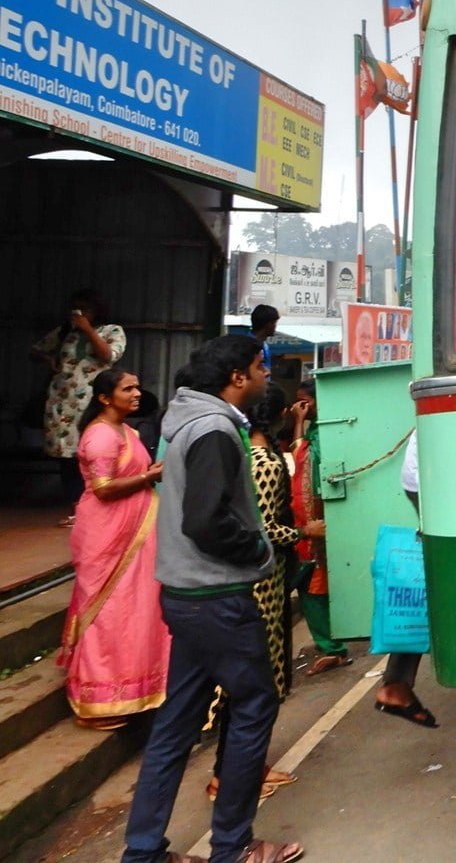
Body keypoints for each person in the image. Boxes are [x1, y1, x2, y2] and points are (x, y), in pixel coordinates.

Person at [120, 334, 302, 863]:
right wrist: (257, 548)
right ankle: (235, 847)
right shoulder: (217, 429)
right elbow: (205, 520)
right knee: (254, 706)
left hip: (183, 595)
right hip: (218, 595)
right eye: (259, 368)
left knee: (177, 723)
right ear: (237, 378)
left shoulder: (184, 425)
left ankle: (144, 851)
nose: (267, 377)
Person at [205, 384, 312, 804]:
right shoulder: (265, 462)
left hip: (252, 580)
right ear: (280, 414)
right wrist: (305, 531)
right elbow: (264, 528)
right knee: (258, 683)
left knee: (250, 683)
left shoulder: (243, 456)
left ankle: (246, 768)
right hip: (262, 585)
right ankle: (230, 776)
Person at [57, 368, 172, 730]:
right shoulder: (101, 436)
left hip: (133, 532)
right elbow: (104, 488)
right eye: (128, 388)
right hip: (108, 535)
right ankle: (94, 703)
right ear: (105, 398)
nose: (137, 393)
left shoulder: (128, 431)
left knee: (132, 612)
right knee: (106, 613)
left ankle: (130, 689)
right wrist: (150, 477)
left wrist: (148, 473)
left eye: (138, 386)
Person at [30, 289, 127, 514]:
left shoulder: (112, 331)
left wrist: (87, 330)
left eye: (85, 309)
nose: (79, 314)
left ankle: (95, 503)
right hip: (62, 402)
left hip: (93, 403)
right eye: (75, 309)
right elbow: (35, 351)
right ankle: (76, 506)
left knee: (93, 451)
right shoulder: (65, 332)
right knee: (66, 455)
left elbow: (108, 356)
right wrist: (49, 358)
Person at [374, 430, 438, 729]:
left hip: (426, 472)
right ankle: (396, 683)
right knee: (436, 575)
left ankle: (396, 682)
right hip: (434, 473)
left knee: (432, 574)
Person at [287, 380, 352, 676]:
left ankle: (333, 647)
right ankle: (330, 646)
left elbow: (308, 468)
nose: (301, 407)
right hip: (304, 523)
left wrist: (299, 422)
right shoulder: (314, 432)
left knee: (314, 586)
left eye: (305, 401)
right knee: (312, 586)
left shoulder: (325, 434)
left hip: (315, 522)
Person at [247, 305, 280, 373]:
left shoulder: (265, 346)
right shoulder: (247, 346)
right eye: (274, 323)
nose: (275, 326)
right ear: (268, 324)